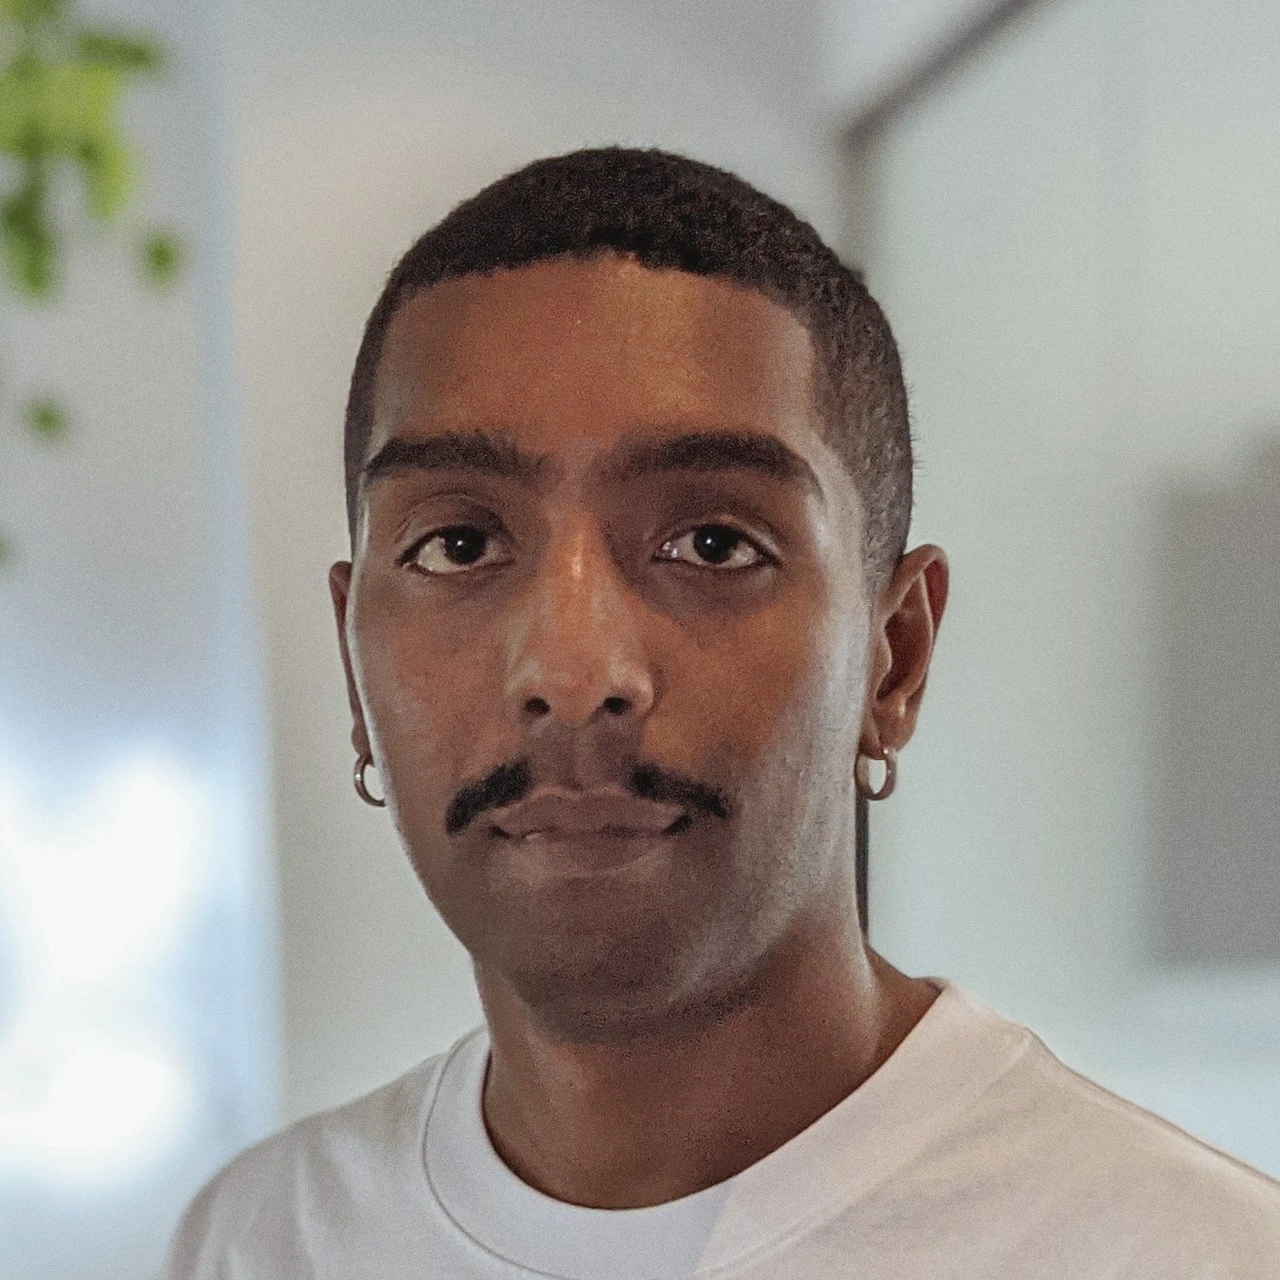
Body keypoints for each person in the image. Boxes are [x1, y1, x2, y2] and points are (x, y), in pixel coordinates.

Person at [162, 147, 1280, 1278]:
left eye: (711, 543)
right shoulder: (262, 1238)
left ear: (892, 658)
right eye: (458, 544)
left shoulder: (1190, 1256)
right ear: (352, 666)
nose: (572, 668)